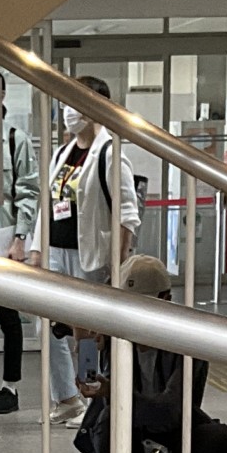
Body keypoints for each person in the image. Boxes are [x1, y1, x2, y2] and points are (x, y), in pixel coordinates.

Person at [72, 254, 227, 453]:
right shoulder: (112, 336)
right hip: (130, 432)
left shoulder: (187, 342)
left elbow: (170, 413)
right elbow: (61, 320)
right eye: (126, 305)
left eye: (142, 305)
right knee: (107, 424)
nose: (133, 315)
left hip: (176, 434)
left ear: (166, 300)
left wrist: (113, 392)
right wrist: (81, 334)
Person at [35, 77, 141, 427]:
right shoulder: (63, 153)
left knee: (86, 334)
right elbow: (48, 204)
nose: (68, 111)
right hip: (56, 252)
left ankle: (91, 394)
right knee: (50, 326)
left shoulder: (111, 153)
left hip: (90, 257)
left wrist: (118, 265)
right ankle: (66, 397)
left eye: (76, 102)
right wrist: (36, 249)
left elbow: (127, 214)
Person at [0, 66, 37, 415]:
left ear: (2, 94)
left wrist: (20, 238)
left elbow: (28, 191)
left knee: (8, 317)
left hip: (4, 239)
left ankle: (10, 387)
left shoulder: (16, 138)